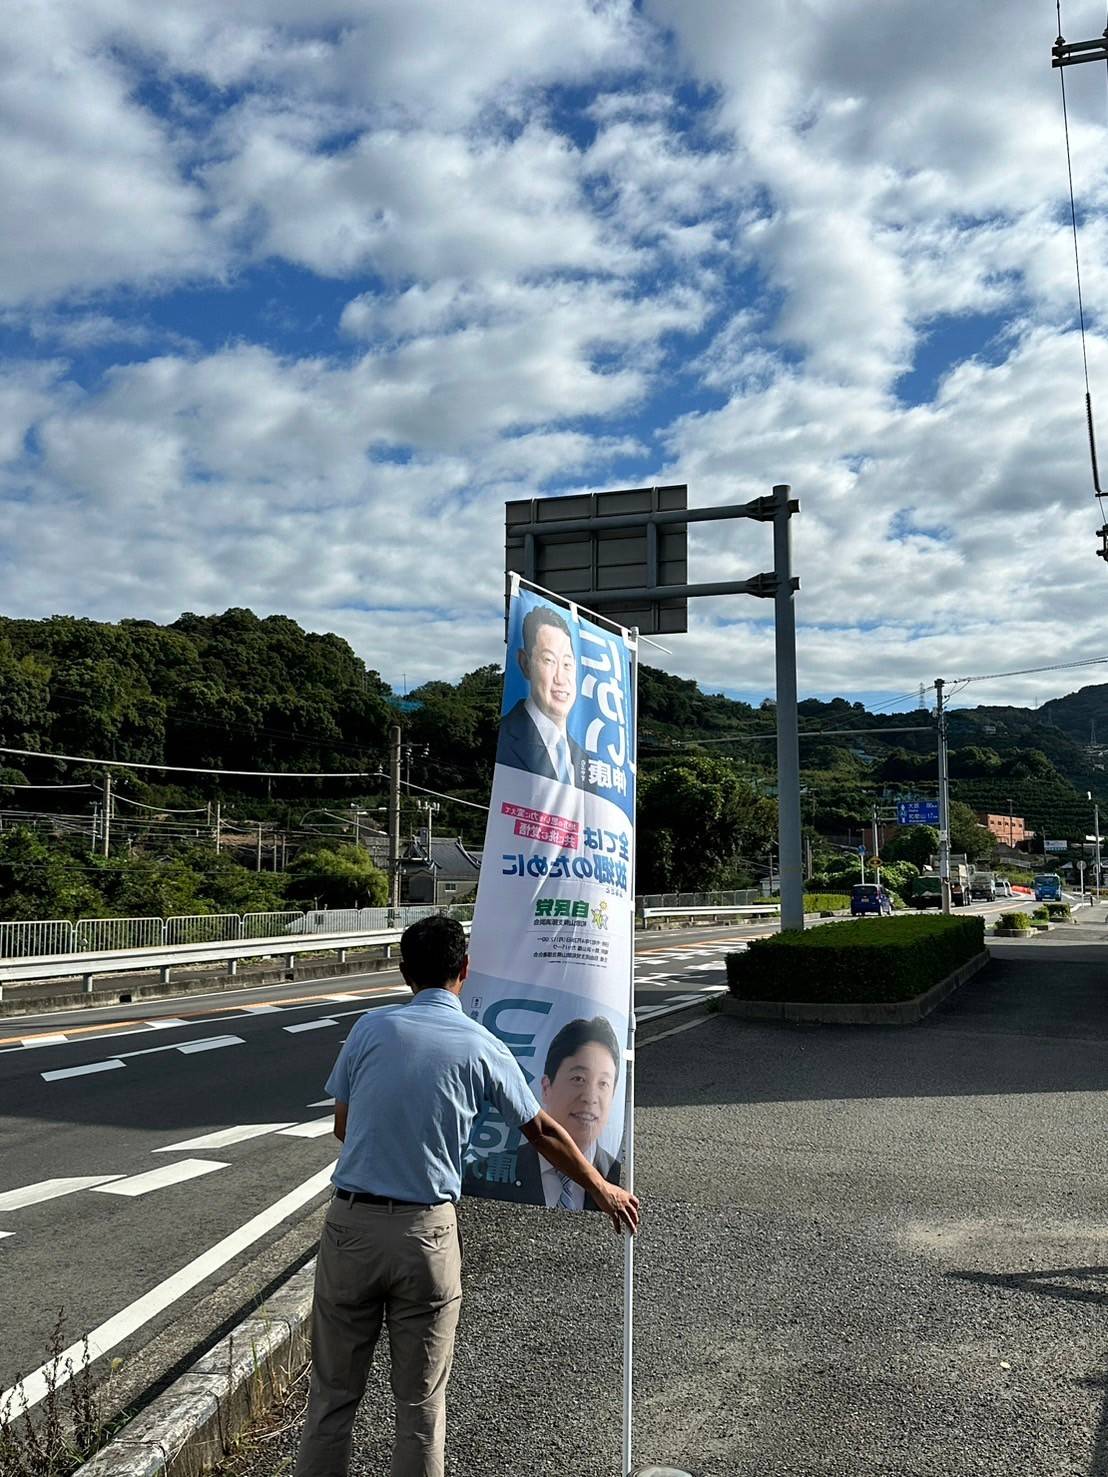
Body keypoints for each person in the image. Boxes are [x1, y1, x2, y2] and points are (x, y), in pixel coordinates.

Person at [293, 915, 639, 1477]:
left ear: (404, 972)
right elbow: (545, 1131)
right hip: (425, 1233)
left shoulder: (368, 1030)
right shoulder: (482, 1045)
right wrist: (600, 1186)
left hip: (351, 1226)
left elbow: (342, 1125)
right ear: (464, 972)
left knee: (331, 1399)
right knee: (421, 1409)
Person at [466, 1016, 623, 1211]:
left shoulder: (621, 1178)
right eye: (578, 1078)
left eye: (603, 1084)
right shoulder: (487, 1174)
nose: (590, 1098)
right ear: (546, 1087)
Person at [496, 604, 594, 789]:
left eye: (567, 664)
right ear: (525, 663)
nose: (560, 678)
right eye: (549, 660)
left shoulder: (585, 761)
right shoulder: (504, 739)